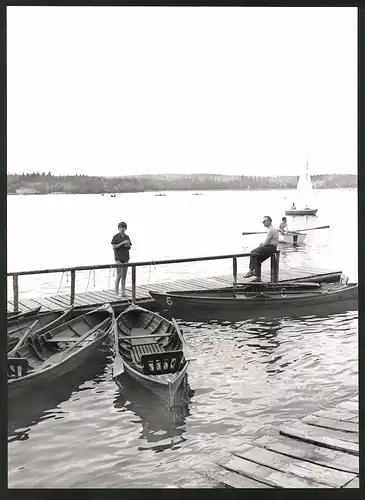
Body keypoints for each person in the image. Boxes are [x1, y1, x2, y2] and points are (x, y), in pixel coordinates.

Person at [244, 216, 278, 281]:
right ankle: (258, 277)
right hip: (271, 248)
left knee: (252, 252)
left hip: (270, 248)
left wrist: (261, 244)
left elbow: (266, 243)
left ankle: (251, 270)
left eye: (264, 221)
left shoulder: (271, 230)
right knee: (257, 258)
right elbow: (268, 241)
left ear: (269, 221)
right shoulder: (271, 229)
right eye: (263, 221)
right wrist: (263, 244)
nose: (263, 223)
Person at [111, 222, 132, 297]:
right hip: (118, 258)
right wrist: (122, 243)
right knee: (119, 275)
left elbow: (129, 247)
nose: (122, 229)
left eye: (123, 227)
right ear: (118, 228)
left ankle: (123, 292)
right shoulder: (115, 237)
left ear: (125, 228)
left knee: (124, 276)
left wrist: (127, 244)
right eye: (120, 227)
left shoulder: (127, 237)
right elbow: (114, 247)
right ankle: (116, 293)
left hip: (125, 257)